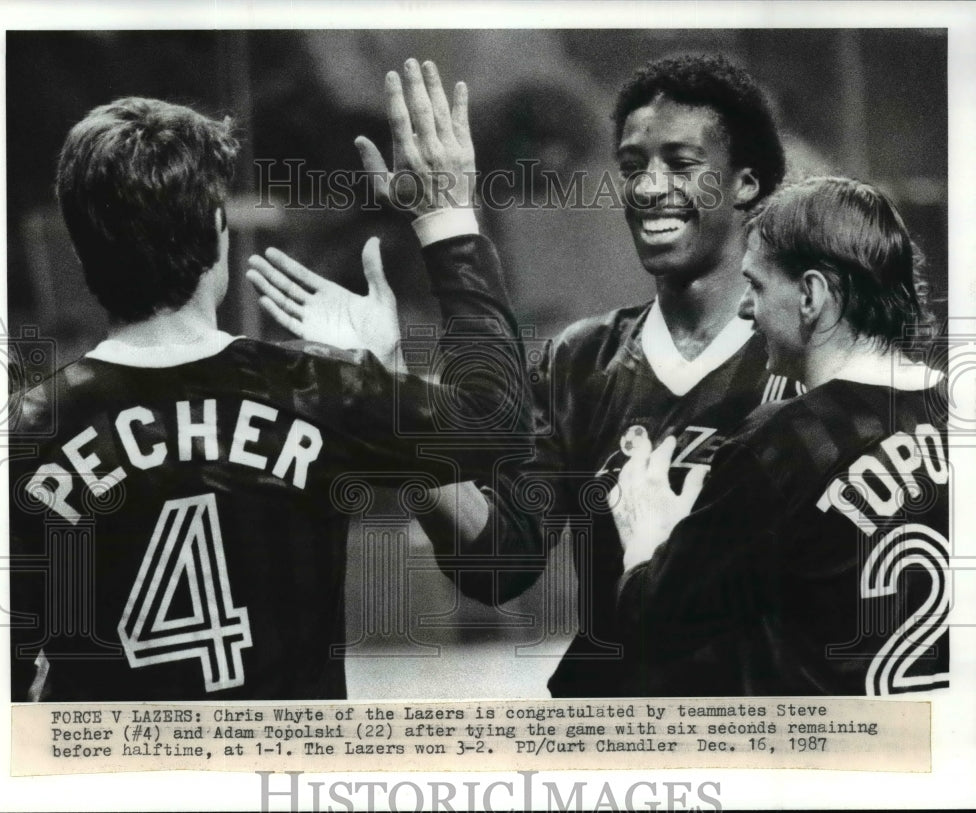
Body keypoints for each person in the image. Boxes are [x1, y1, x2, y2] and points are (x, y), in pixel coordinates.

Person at [270, 55, 800, 697]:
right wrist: (392, 391)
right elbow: (498, 562)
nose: (649, 188)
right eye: (633, 167)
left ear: (745, 184)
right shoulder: (582, 360)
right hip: (613, 744)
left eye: (681, 165)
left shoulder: (802, 362)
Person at [8, 93, 526, 701]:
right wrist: (448, 218)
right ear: (216, 231)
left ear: (78, 247)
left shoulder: (24, 434)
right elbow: (497, 420)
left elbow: (1, 700)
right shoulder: (317, 391)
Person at [611, 176, 948, 696]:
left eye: (757, 286)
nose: (746, 310)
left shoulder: (781, 442)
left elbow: (656, 631)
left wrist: (647, 538)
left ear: (811, 295)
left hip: (832, 766)